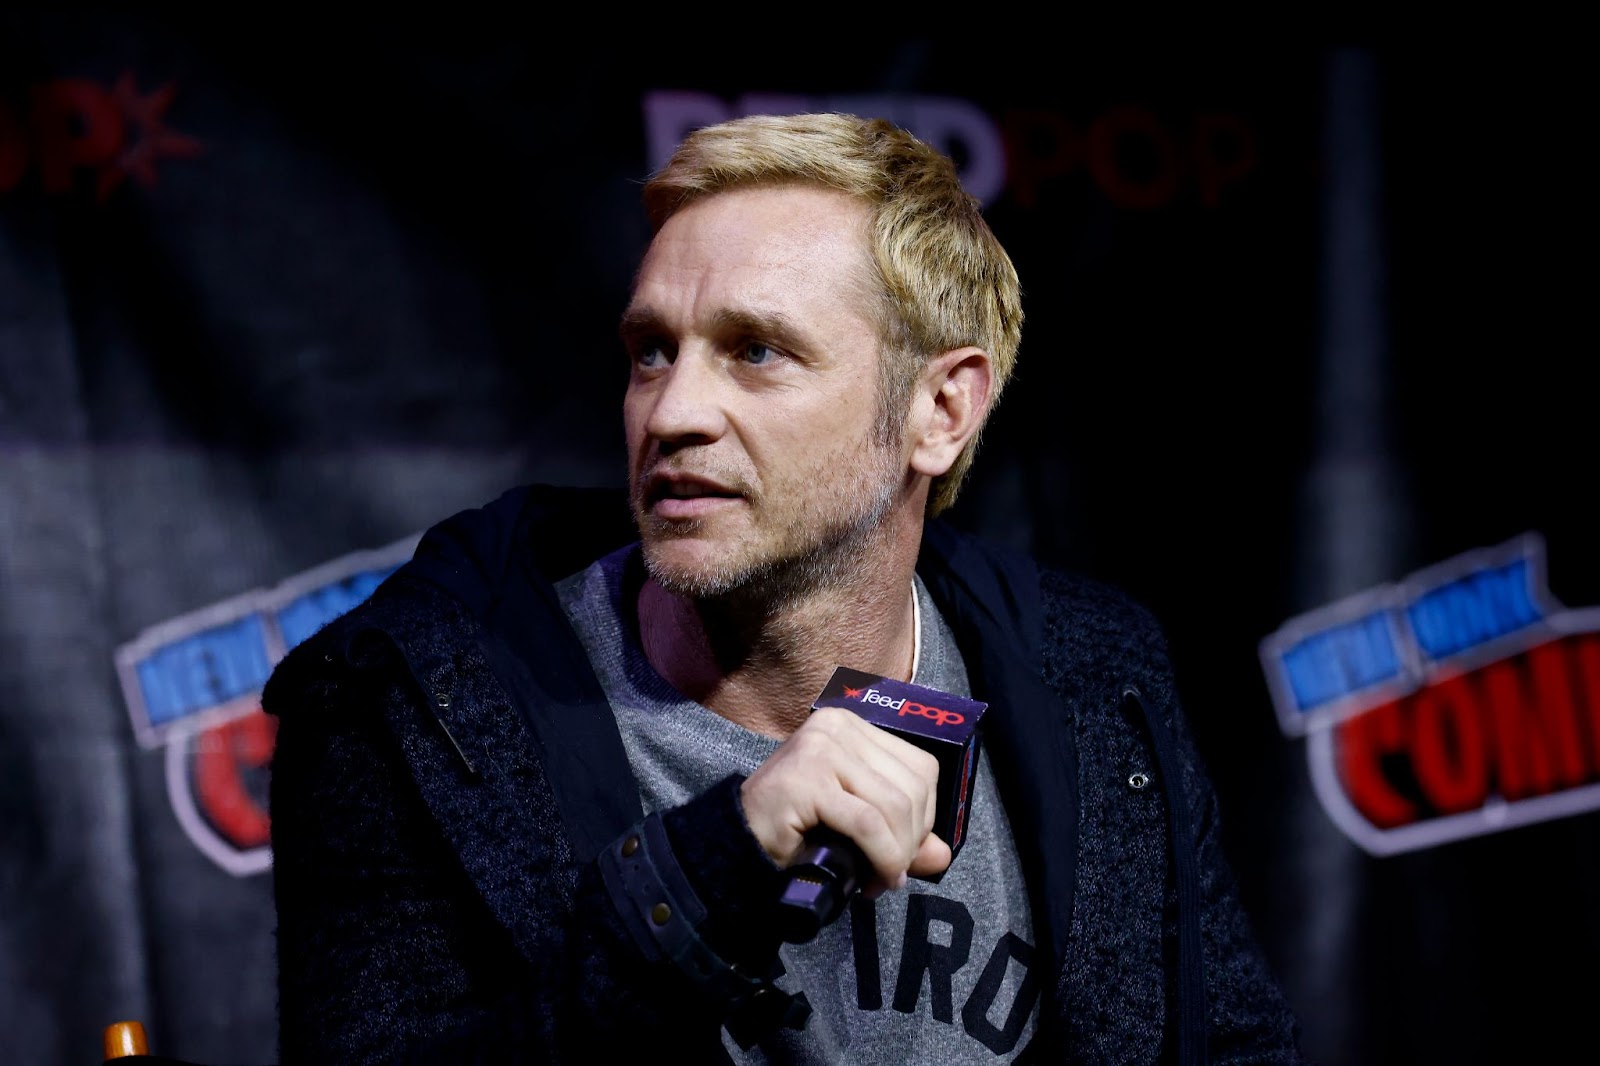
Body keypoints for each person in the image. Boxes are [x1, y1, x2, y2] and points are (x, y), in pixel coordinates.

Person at [263, 111, 1307, 1065]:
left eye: (755, 352)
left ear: (941, 410)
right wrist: (715, 863)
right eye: (650, 352)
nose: (672, 412)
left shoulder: (1093, 675)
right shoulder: (415, 703)